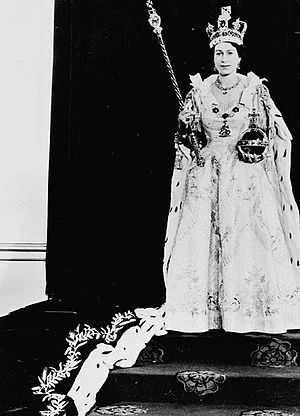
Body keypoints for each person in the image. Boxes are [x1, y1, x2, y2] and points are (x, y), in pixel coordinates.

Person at [163, 6, 300, 334]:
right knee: (202, 241)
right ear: (213, 58)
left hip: (245, 179)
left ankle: (252, 315)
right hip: (205, 178)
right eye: (219, 52)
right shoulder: (197, 92)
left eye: (230, 52)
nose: (224, 58)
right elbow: (186, 139)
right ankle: (200, 316)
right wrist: (186, 127)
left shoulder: (256, 91)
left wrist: (258, 147)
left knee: (248, 242)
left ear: (239, 57)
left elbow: (277, 133)